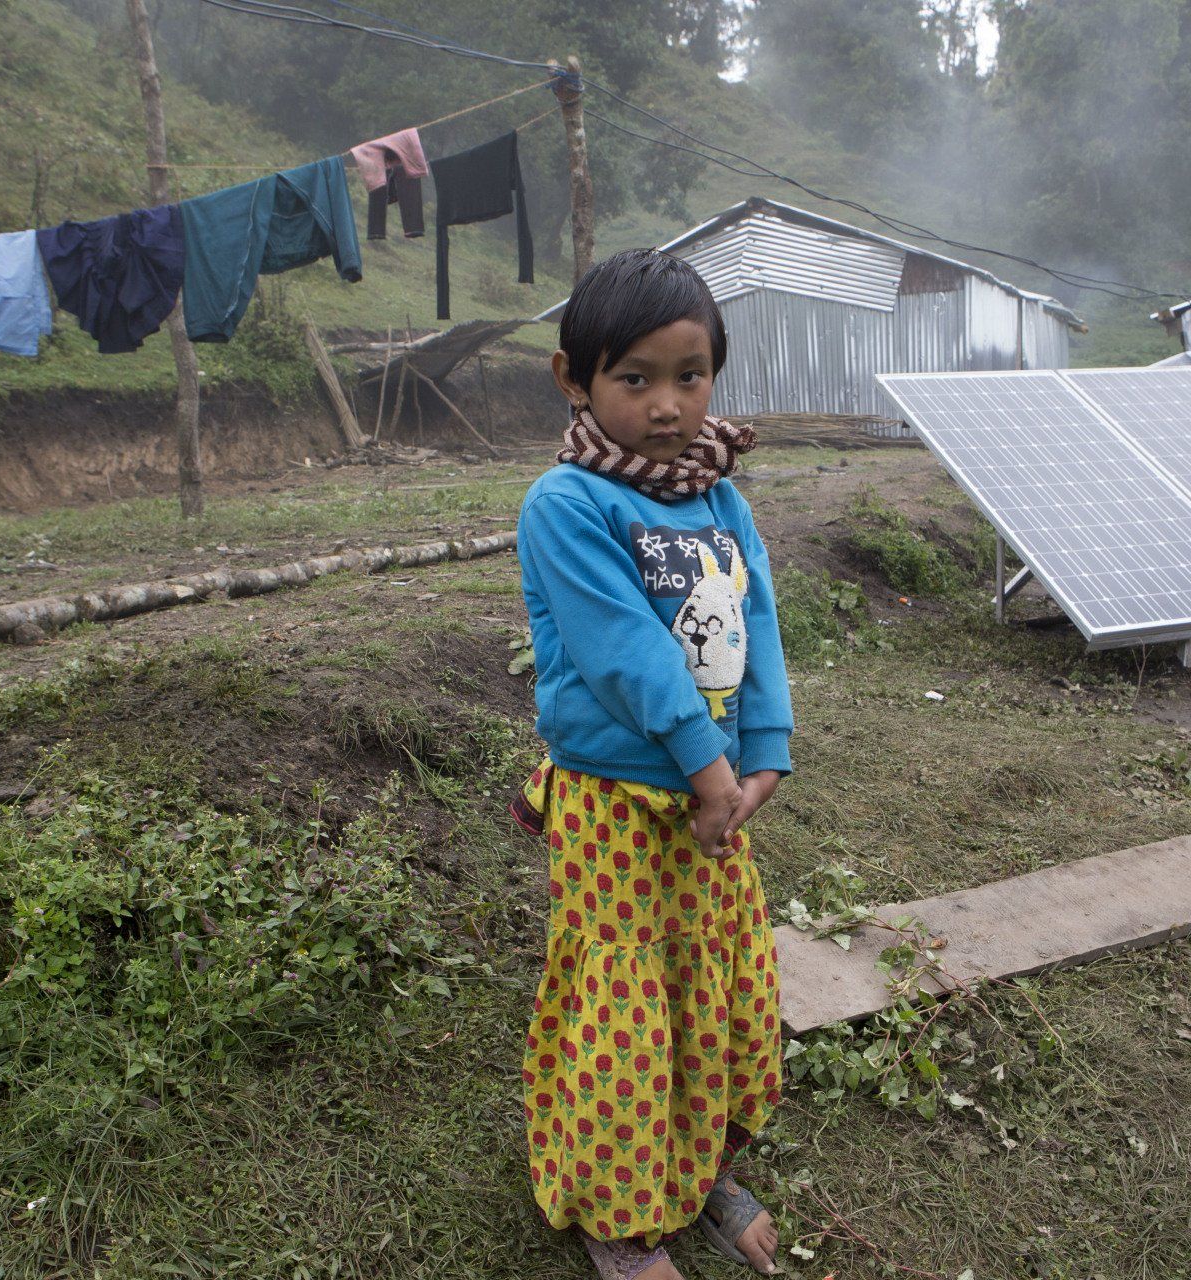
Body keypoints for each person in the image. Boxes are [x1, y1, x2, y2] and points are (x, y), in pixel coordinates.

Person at [512, 248, 794, 1280]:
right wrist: (704, 764)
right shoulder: (567, 504)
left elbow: (756, 621)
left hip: (713, 797)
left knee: (716, 984)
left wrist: (762, 754)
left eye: (691, 375)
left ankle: (699, 1166)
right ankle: (622, 1221)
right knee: (629, 1002)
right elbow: (627, 649)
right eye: (634, 378)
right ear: (573, 379)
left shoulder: (719, 497)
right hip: (615, 803)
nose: (667, 405)